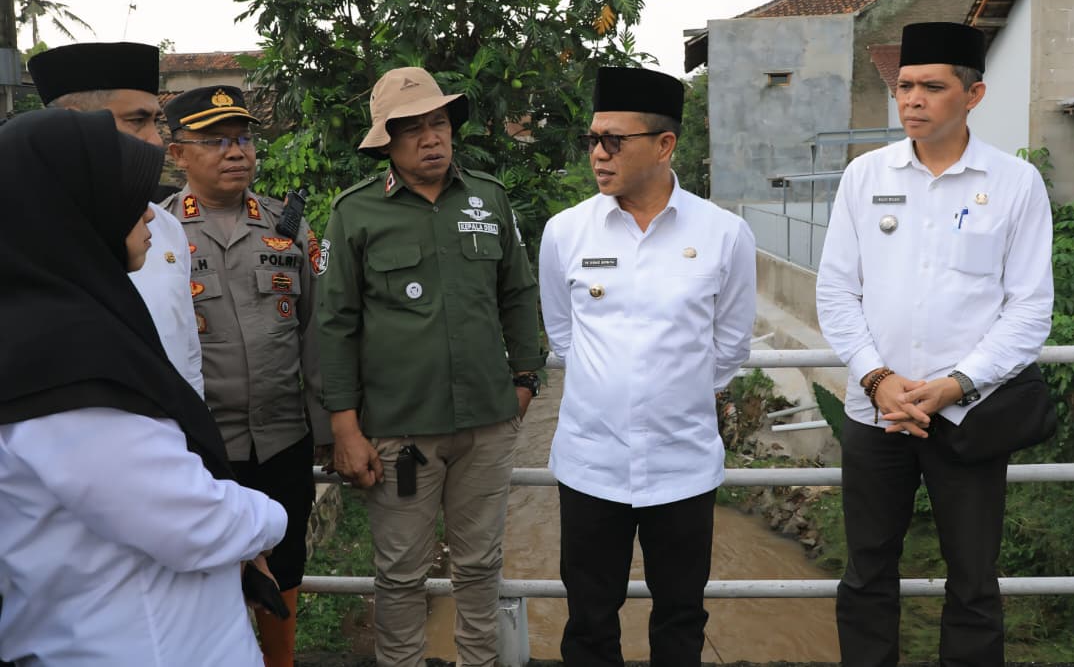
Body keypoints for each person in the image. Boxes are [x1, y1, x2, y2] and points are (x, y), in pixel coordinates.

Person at [0, 109, 287, 666]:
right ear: (73, 210)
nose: (151, 217)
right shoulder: (63, 363)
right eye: (128, 196)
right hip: (136, 642)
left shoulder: (56, 324)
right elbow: (186, 519)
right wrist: (268, 518)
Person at [815, 22, 1054, 665]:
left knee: (973, 579)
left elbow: (1030, 308)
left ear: (973, 95)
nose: (912, 100)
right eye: (904, 86)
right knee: (866, 572)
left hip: (969, 415)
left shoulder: (1014, 184)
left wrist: (955, 384)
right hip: (877, 416)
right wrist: (877, 380)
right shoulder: (865, 177)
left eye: (932, 87)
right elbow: (836, 293)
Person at [316, 67, 544, 667]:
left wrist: (525, 379)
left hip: (487, 425)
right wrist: (344, 426)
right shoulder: (355, 213)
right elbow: (334, 323)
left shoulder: (488, 198)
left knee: (480, 566)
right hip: (399, 433)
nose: (430, 138)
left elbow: (518, 293)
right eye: (411, 129)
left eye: (438, 123)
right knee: (399, 574)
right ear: (386, 142)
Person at [538, 65, 757, 666]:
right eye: (592, 139)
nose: (599, 154)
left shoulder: (723, 235)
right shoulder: (564, 233)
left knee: (682, 618)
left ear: (664, 146)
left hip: (681, 464)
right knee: (588, 620)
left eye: (615, 140)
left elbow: (731, 344)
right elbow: (564, 336)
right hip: (591, 464)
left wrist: (671, 392)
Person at [162, 85, 326, 667]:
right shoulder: (156, 237)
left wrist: (330, 430)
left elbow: (314, 336)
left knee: (283, 566)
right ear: (177, 153)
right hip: (201, 447)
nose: (236, 152)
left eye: (243, 138)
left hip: (282, 435)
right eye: (214, 141)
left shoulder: (288, 228)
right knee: (208, 570)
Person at [27, 41, 205, 396]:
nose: (156, 140)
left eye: (155, 121)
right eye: (136, 121)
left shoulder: (165, 228)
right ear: (74, 123)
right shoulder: (22, 238)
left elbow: (186, 355)